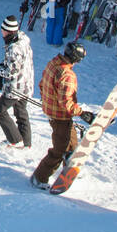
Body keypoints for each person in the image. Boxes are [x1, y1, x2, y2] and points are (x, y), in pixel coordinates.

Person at [30, 42, 94, 189]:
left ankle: (70, 167)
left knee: (71, 144)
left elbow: (42, 84)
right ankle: (39, 177)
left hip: (52, 112)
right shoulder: (67, 75)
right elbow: (66, 101)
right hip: (60, 117)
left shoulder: (53, 64)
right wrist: (82, 113)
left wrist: (48, 100)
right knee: (59, 150)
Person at [0, 16, 34, 148]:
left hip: (15, 88)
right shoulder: (23, 39)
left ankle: (15, 139)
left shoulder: (14, 48)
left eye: (3, 30)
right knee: (21, 112)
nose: (1, 32)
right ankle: (26, 142)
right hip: (26, 84)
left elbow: (11, 72)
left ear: (8, 31)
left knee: (0, 111)